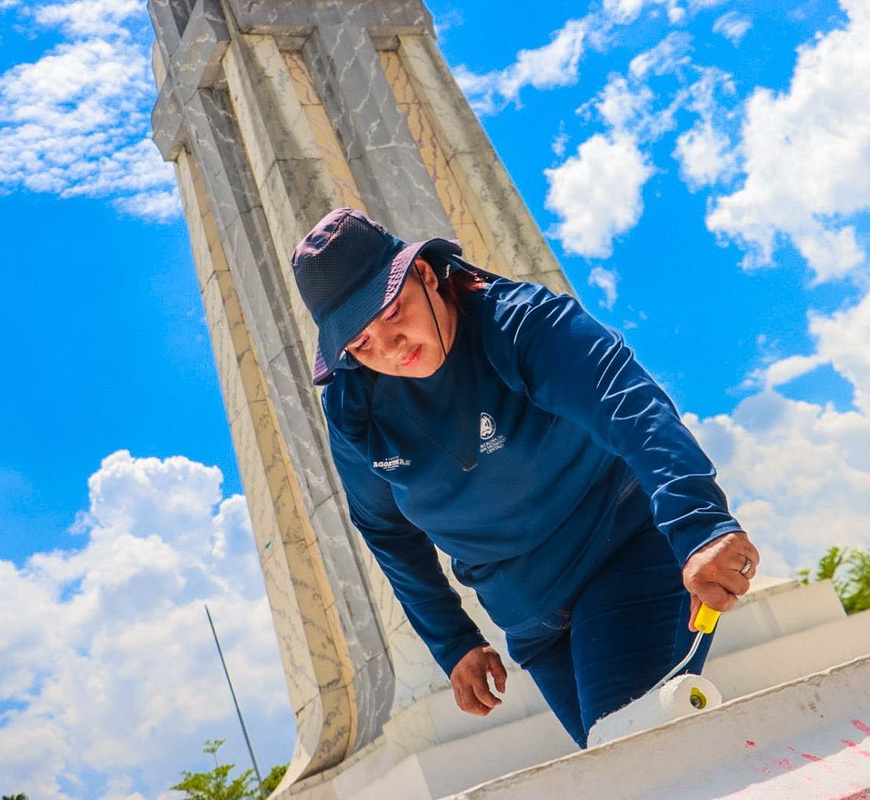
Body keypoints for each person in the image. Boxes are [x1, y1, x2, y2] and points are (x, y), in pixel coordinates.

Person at [291, 207, 760, 748]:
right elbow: (387, 533)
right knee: (625, 768)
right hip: (530, 619)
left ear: (424, 273)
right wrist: (453, 642)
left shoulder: (520, 323)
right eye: (362, 342)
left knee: (636, 757)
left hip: (622, 554)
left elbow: (625, 403)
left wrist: (700, 523)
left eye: (392, 313)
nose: (390, 347)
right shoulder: (355, 412)